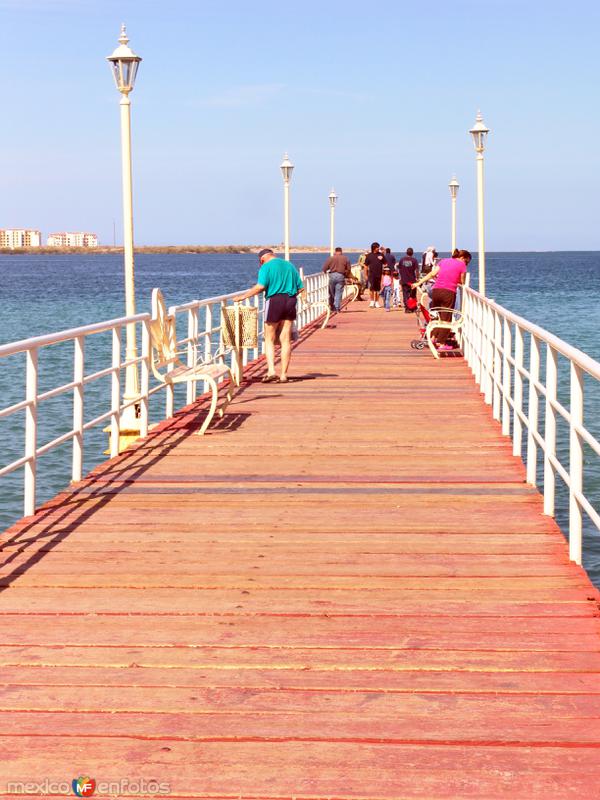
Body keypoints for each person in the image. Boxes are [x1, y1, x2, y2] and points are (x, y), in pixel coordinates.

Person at [234, 248, 305, 383]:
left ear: (262, 260)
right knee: (285, 340)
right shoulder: (289, 265)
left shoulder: (266, 267)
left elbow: (260, 286)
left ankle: (271, 371)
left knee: (269, 338)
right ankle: (284, 375)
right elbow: (300, 288)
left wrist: (242, 297)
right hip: (290, 300)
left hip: (274, 301)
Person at [413, 249, 471, 350]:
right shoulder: (462, 265)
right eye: (467, 261)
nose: (466, 264)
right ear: (462, 258)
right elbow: (462, 281)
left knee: (437, 317)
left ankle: (434, 337)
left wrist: (418, 283)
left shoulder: (444, 261)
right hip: (448, 293)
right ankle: (441, 343)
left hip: (436, 291)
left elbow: (432, 274)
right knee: (446, 319)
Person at [322, 247, 351, 313]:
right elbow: (348, 269)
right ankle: (337, 308)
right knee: (338, 292)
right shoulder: (346, 258)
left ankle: (332, 307)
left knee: (332, 292)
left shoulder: (331, 258)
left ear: (335, 251)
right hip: (341, 276)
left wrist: (326, 272)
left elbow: (324, 268)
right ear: (341, 251)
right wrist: (346, 275)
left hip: (332, 275)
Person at [364, 241, 386, 308]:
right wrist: (365, 275)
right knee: (371, 289)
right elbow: (366, 266)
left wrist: (384, 274)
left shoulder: (381, 255)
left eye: (378, 247)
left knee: (377, 289)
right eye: (377, 247)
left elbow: (385, 263)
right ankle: (372, 302)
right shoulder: (369, 256)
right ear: (374, 248)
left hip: (379, 274)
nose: (378, 248)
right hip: (371, 275)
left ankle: (376, 302)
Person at [398, 247, 419, 312]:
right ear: (412, 253)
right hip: (412, 280)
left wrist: (400, 278)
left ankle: (407, 308)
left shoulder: (402, 260)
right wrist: (417, 278)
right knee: (412, 294)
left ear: (406, 253)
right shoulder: (414, 260)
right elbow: (417, 270)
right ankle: (413, 307)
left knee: (405, 294)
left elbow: (399, 269)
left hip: (404, 280)